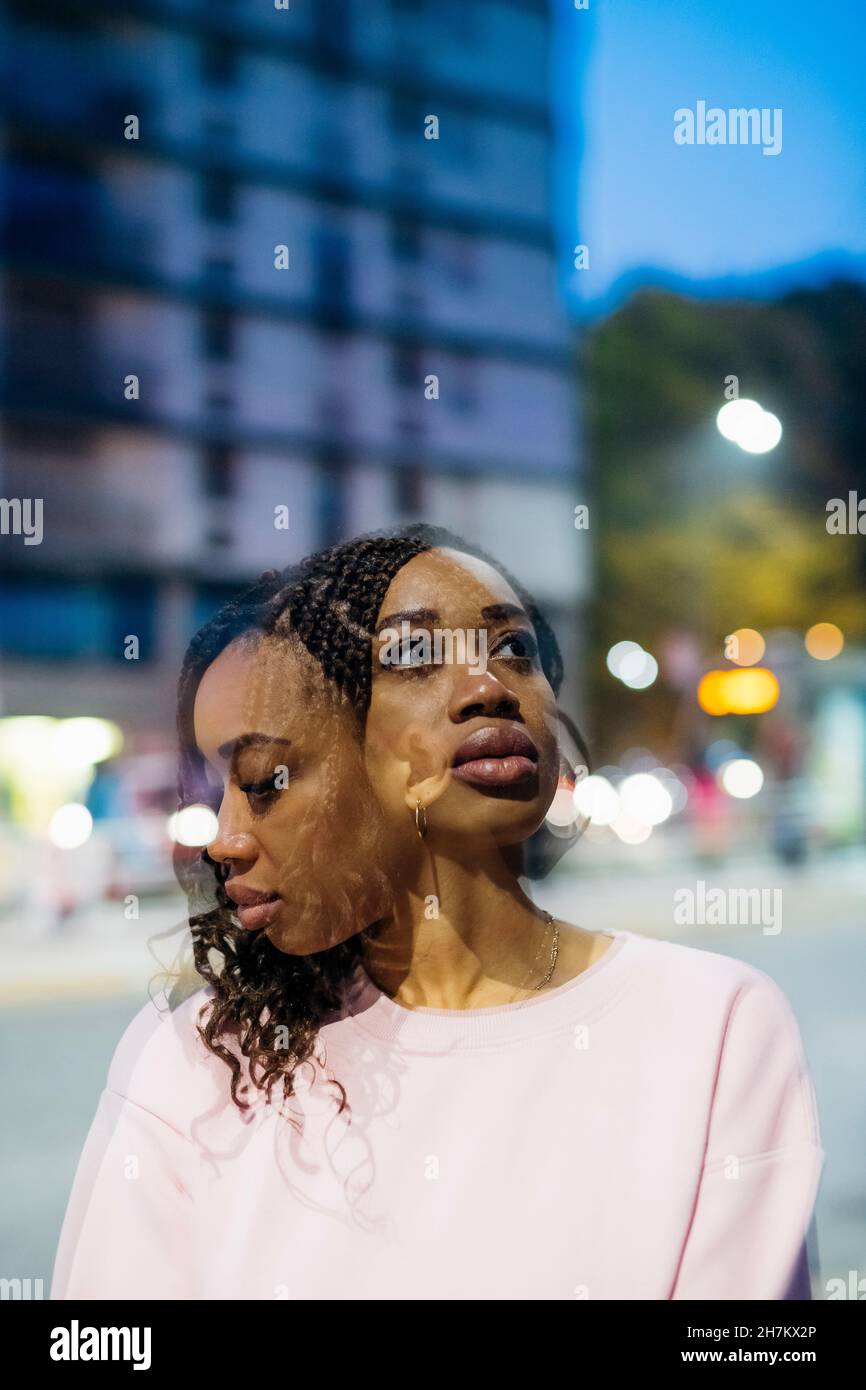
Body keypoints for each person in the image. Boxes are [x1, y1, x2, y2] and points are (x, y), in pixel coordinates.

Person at [51, 526, 824, 1300]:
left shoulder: (713, 1023)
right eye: (415, 656)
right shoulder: (197, 1059)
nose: (491, 684)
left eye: (515, 647)